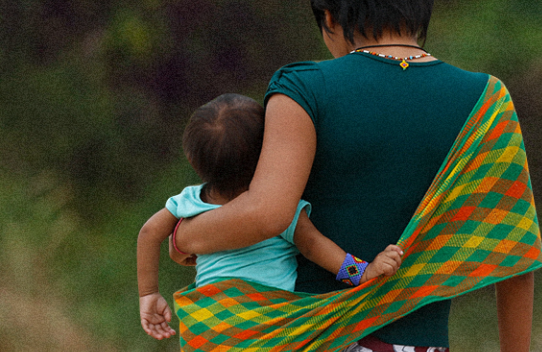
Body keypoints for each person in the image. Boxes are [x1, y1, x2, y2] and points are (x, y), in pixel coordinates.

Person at [173, 0, 535, 352]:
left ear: (330, 17)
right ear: (421, 3)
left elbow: (268, 213)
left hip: (316, 338)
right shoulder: (487, 101)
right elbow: (516, 254)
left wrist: (184, 236)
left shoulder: (303, 87)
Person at [136, 93, 406, 340]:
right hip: (265, 325)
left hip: (210, 326)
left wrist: (149, 294)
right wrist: (364, 272)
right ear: (267, 152)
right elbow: (315, 246)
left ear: (192, 160)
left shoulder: (187, 203)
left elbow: (149, 233)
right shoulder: (279, 206)